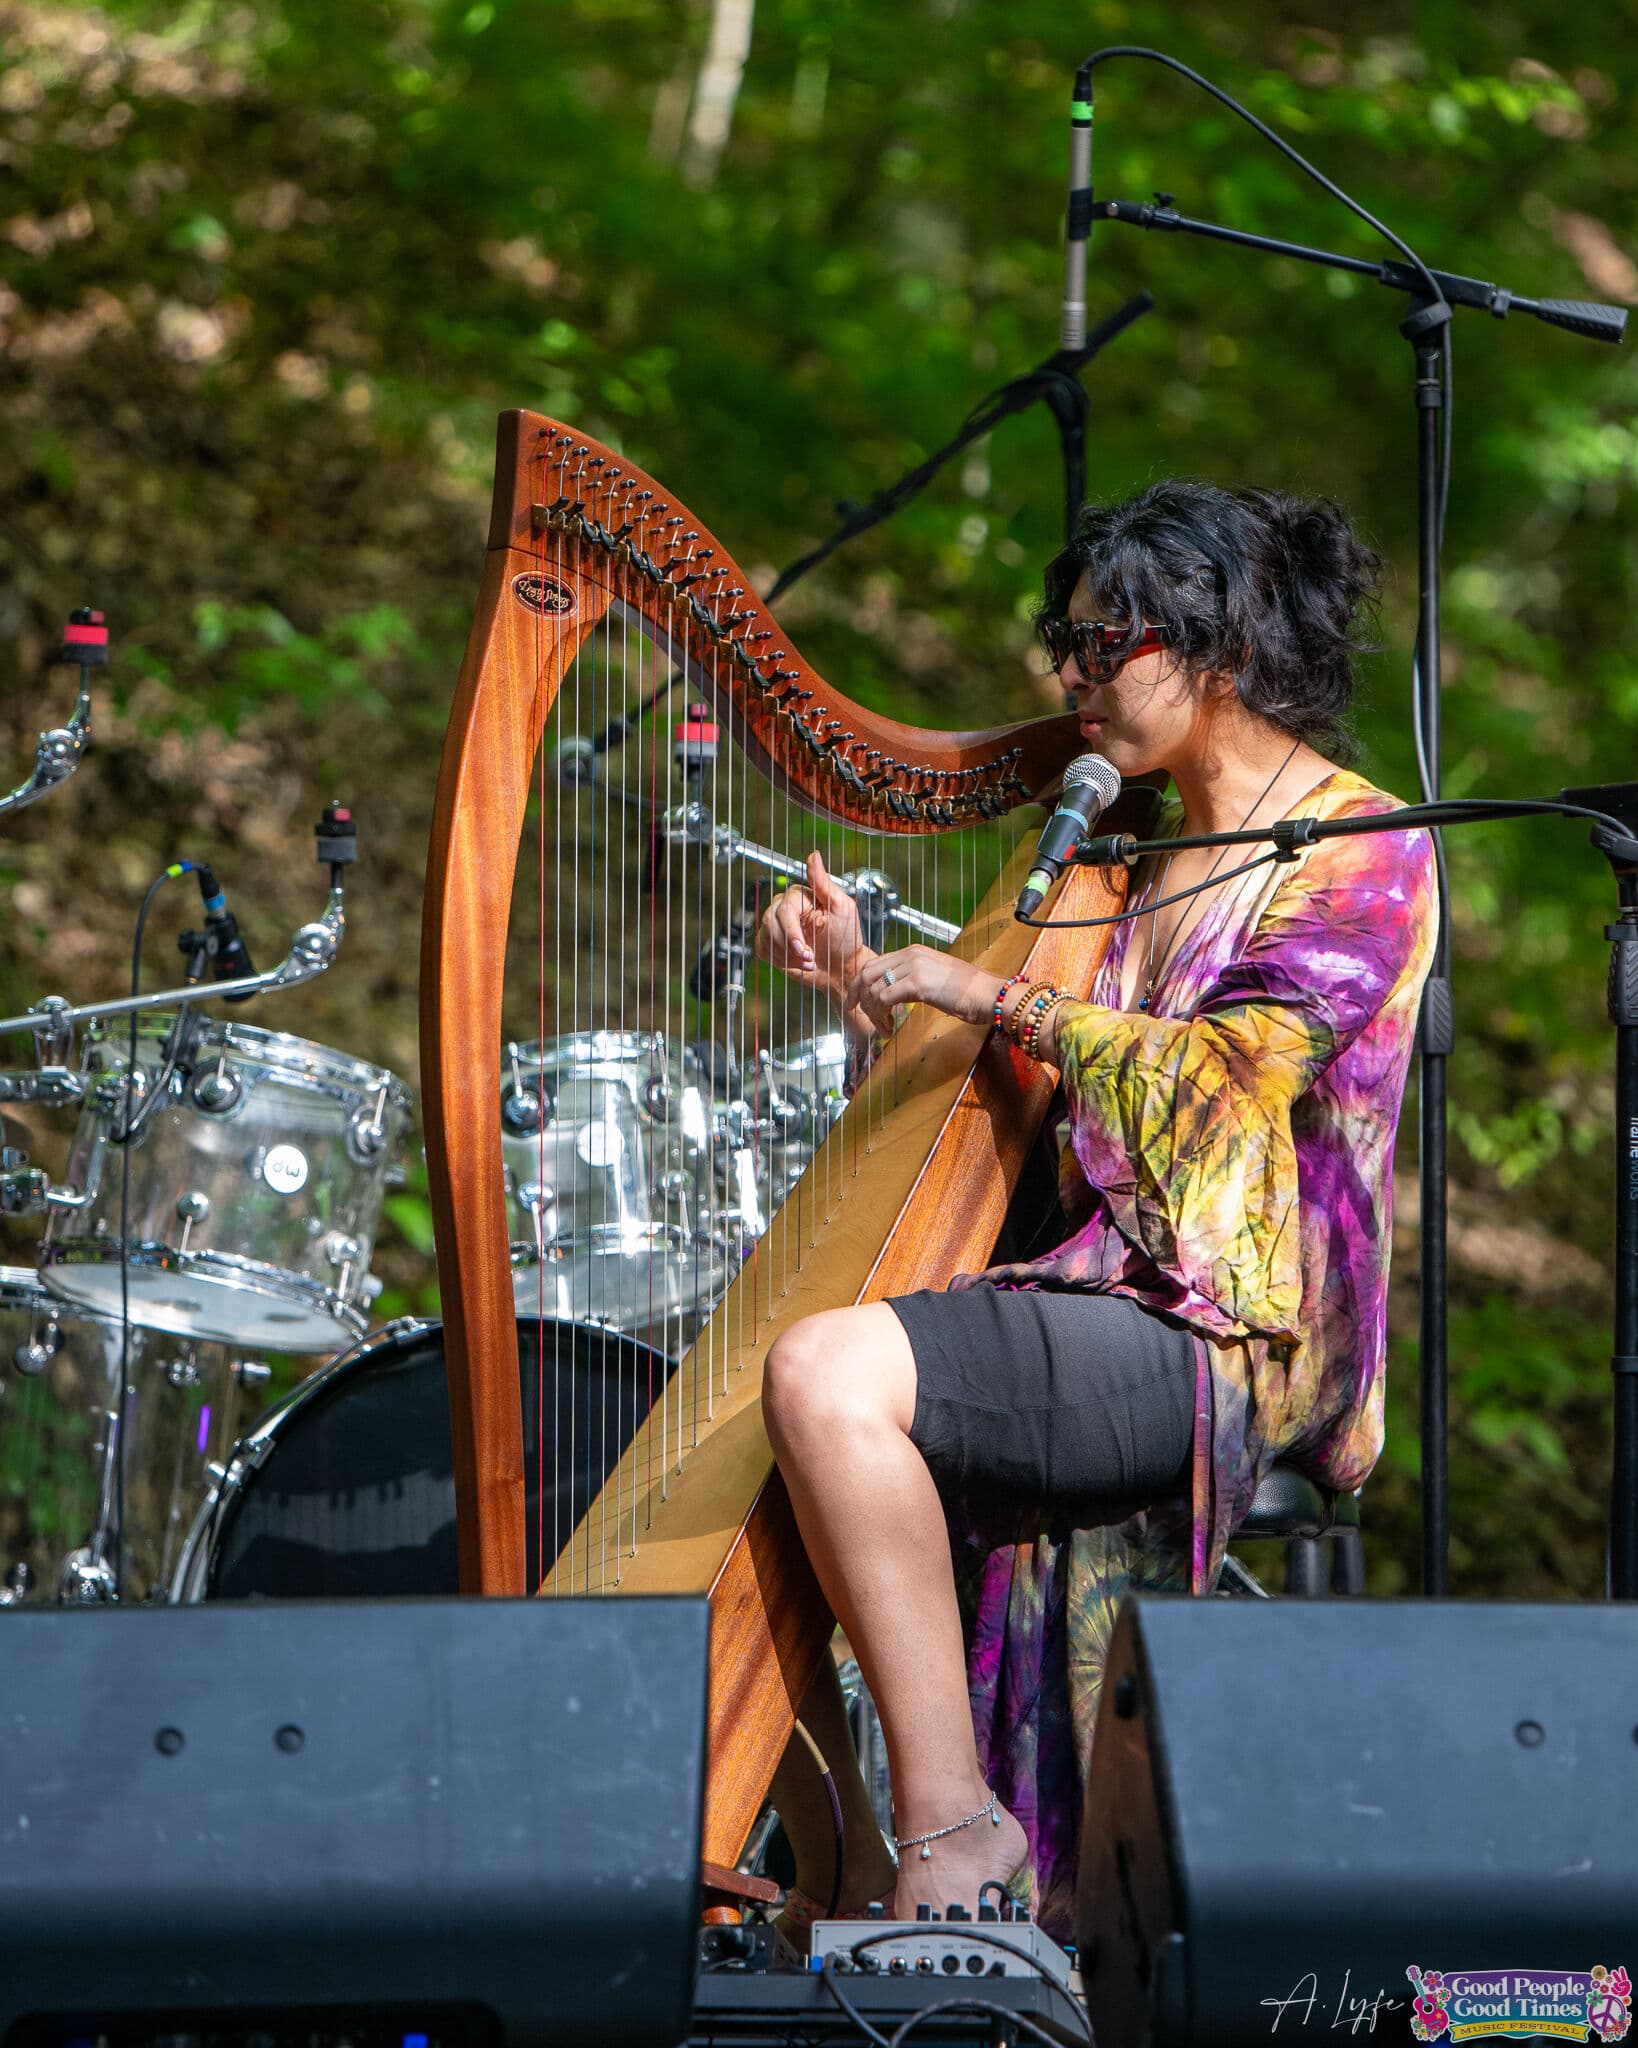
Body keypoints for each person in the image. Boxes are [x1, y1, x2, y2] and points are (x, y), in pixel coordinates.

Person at [756, 480, 1439, 1937]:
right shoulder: (1118, 848)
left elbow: (1232, 1077)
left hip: (1226, 1329)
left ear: (1221, 649)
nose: (1067, 679)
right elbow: (1035, 1109)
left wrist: (981, 987)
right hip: (1093, 1289)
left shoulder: (1362, 848)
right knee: (755, 1482)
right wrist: (868, 985)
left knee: (823, 1374)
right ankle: (853, 1875)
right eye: (1061, 643)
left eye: (1098, 643)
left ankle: (953, 1828)